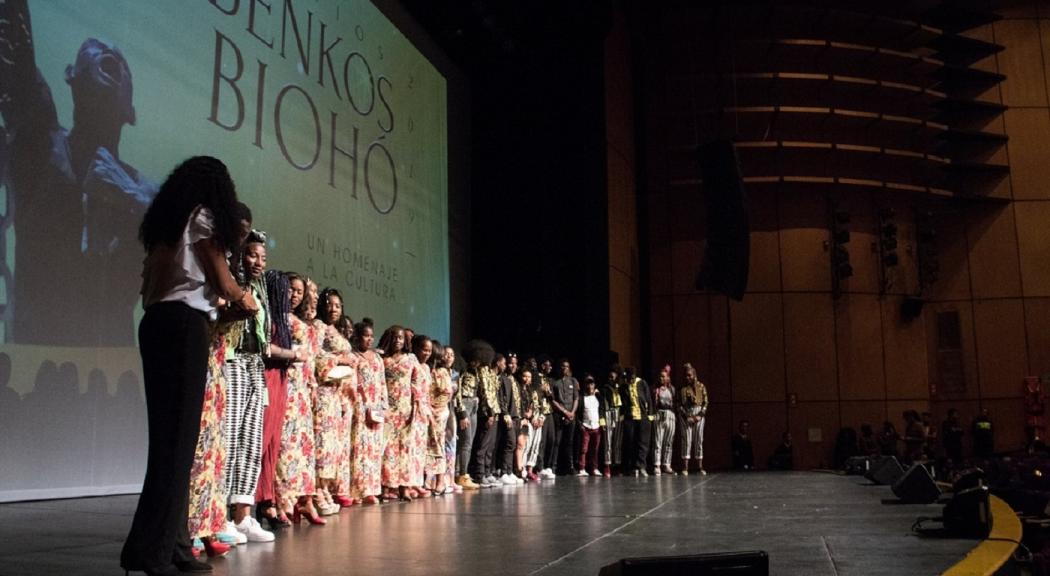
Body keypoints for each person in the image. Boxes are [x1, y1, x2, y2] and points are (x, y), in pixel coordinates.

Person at [121, 156, 258, 576]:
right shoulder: (201, 216)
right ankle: (157, 553)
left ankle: (171, 545)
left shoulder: (166, 226)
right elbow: (220, 278)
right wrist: (243, 297)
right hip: (183, 328)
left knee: (171, 446)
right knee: (177, 447)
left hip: (159, 324)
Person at [0, 0, 158, 346]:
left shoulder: (146, 191)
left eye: (117, 63)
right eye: (98, 57)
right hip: (36, 366)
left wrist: (130, 197)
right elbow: (15, 54)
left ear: (129, 108)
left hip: (111, 373)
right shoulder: (42, 148)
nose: (105, 53)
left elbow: (192, 247)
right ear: (72, 79)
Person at [222, 229, 275, 543]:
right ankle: (219, 514)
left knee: (251, 441)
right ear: (240, 255)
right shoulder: (229, 284)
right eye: (253, 255)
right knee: (229, 439)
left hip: (255, 364)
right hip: (233, 361)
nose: (258, 262)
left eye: (263, 258)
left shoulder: (260, 288)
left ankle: (243, 514)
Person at [275, 273, 324, 525]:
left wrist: (313, 385)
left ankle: (304, 501)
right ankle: (283, 501)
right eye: (291, 290)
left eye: (299, 291)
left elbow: (312, 359)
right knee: (286, 446)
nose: (295, 295)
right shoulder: (276, 318)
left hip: (303, 389)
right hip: (285, 384)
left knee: (304, 447)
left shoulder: (300, 321)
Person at [313, 288, 357, 511]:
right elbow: (316, 354)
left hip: (337, 395)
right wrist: (342, 359)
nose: (333, 309)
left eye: (338, 305)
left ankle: (326, 489)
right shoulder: (318, 326)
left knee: (332, 445)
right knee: (322, 443)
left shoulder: (336, 330)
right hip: (323, 391)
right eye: (329, 304)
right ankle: (317, 492)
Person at [350, 318, 387, 504]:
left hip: (375, 407)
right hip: (359, 406)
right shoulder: (353, 357)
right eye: (366, 336)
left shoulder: (378, 358)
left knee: (374, 450)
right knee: (360, 449)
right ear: (357, 337)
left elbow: (382, 383)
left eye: (372, 336)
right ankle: (358, 490)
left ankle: (372, 488)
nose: (369, 340)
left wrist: (383, 406)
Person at [380, 325, 416, 501]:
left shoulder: (410, 359)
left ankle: (404, 487)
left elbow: (417, 383)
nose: (398, 341)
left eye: (401, 338)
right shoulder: (383, 359)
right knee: (388, 448)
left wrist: (416, 407)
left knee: (405, 449)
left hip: (406, 409)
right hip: (388, 409)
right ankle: (387, 486)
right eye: (394, 337)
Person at [453, 341, 483, 490]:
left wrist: (476, 398)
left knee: (469, 441)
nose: (477, 363)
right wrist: (462, 411)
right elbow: (457, 391)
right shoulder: (462, 367)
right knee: (464, 441)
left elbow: (474, 388)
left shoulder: (475, 371)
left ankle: (462, 473)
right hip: (464, 405)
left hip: (473, 406)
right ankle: (460, 473)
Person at [407, 334, 435, 496]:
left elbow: (427, 392)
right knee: (410, 448)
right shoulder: (411, 361)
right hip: (412, 409)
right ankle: (408, 483)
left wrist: (429, 411)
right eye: (424, 350)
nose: (427, 353)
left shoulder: (426, 367)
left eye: (429, 350)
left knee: (420, 449)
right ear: (416, 348)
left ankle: (417, 482)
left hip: (424, 412)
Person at [426, 341, 454, 495]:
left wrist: (436, 409)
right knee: (427, 446)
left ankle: (440, 481)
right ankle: (428, 481)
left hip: (438, 412)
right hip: (428, 411)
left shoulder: (441, 372)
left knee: (437, 445)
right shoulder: (428, 369)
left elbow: (446, 392)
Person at [472, 351, 503, 487]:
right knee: (483, 444)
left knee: (490, 445)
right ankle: (479, 474)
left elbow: (494, 391)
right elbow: (485, 392)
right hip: (487, 412)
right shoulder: (483, 370)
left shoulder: (491, 373)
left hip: (494, 410)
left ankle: (487, 472)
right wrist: (490, 412)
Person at [620, 366, 652, 477]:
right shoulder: (624, 386)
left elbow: (649, 399)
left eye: (633, 377)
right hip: (630, 418)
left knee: (643, 443)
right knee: (630, 442)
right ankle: (632, 467)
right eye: (630, 378)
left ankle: (641, 466)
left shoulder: (642, 383)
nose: (631, 380)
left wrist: (650, 415)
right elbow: (623, 403)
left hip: (643, 417)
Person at [498, 353, 524, 485]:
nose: (513, 365)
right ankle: (503, 472)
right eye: (510, 363)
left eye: (515, 363)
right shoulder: (502, 379)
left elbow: (519, 400)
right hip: (508, 417)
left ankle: (510, 471)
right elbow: (501, 398)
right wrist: (505, 413)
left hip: (517, 417)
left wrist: (522, 416)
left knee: (514, 445)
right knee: (509, 444)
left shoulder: (514, 380)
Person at [678, 362, 708, 475]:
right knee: (686, 439)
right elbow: (678, 404)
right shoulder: (682, 388)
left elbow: (706, 402)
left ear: (694, 375)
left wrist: (700, 415)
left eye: (690, 375)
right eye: (686, 375)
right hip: (686, 414)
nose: (688, 377)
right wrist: (686, 417)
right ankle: (685, 467)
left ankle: (700, 467)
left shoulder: (701, 386)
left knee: (699, 439)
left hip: (698, 413)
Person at [551, 359, 580, 475]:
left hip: (571, 416)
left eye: (566, 366)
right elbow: (553, 400)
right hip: (559, 415)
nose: (564, 368)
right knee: (557, 441)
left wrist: (572, 413)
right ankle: (554, 467)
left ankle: (570, 466)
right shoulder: (555, 382)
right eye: (562, 366)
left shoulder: (573, 381)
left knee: (570, 442)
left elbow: (576, 399)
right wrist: (565, 412)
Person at [535, 356, 557, 479]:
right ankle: (539, 467)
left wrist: (549, 392)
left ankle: (547, 466)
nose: (550, 368)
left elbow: (552, 396)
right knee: (541, 440)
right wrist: (540, 389)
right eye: (549, 365)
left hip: (549, 412)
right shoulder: (536, 377)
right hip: (541, 411)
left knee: (551, 439)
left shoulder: (548, 379)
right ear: (543, 365)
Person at [651, 366, 676, 476]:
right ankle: (657, 464)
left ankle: (667, 464)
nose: (661, 378)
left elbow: (675, 402)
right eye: (660, 376)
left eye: (663, 377)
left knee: (669, 441)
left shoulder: (672, 389)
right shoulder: (655, 390)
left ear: (667, 378)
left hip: (670, 415)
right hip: (659, 414)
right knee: (658, 441)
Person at [577, 375, 603, 476]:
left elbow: (602, 409)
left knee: (595, 449)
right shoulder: (582, 398)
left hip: (596, 427)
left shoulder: (597, 397)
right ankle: (582, 468)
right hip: (586, 426)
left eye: (592, 384)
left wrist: (598, 394)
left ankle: (594, 468)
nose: (590, 386)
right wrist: (581, 425)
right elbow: (578, 413)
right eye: (588, 384)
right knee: (584, 449)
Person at [600, 367, 623, 477]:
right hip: (608, 413)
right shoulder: (604, 389)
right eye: (610, 377)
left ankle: (616, 465)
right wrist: (602, 419)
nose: (611, 379)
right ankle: (607, 465)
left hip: (618, 414)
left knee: (617, 441)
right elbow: (601, 406)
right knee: (608, 441)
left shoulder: (620, 388)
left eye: (613, 377)